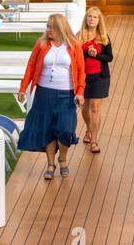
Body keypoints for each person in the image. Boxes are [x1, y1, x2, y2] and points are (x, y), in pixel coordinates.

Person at [16, 14, 85, 180]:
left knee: (65, 129)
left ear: (60, 28)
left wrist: (80, 92)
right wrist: (23, 88)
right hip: (44, 93)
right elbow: (31, 66)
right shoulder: (41, 44)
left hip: (66, 94)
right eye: (47, 26)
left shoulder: (74, 45)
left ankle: (62, 158)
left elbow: (81, 71)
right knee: (47, 129)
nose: (47, 30)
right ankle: (50, 164)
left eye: (50, 27)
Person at [80, 6, 113, 154]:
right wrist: (87, 53)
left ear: (99, 21)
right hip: (84, 77)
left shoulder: (104, 37)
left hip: (100, 77)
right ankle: (88, 129)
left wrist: (96, 55)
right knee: (84, 107)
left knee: (95, 107)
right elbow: (75, 57)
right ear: (86, 19)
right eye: (89, 16)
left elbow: (109, 58)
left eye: (95, 17)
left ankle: (94, 140)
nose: (91, 19)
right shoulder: (79, 37)